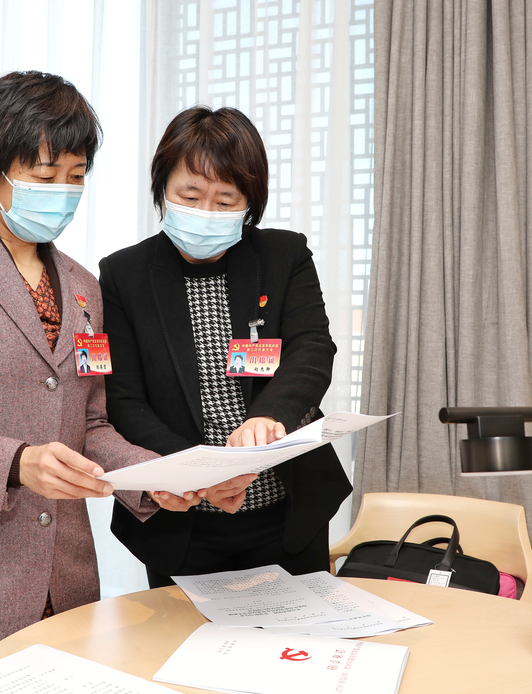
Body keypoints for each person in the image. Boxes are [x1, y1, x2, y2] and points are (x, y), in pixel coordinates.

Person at [0, 71, 237, 689]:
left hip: (67, 588)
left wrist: (158, 478)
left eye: (76, 175)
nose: (62, 191)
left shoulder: (85, 287)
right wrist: (17, 462)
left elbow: (91, 423)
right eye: (43, 174)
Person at [99, 105, 352, 588]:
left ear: (249, 204)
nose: (205, 214)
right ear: (162, 189)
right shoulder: (123, 274)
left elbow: (312, 349)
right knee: (184, 635)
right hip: (181, 520)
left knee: (300, 629)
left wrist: (267, 416)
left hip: (286, 511)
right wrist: (202, 471)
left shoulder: (284, 255)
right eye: (190, 196)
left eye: (225, 200)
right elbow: (125, 400)